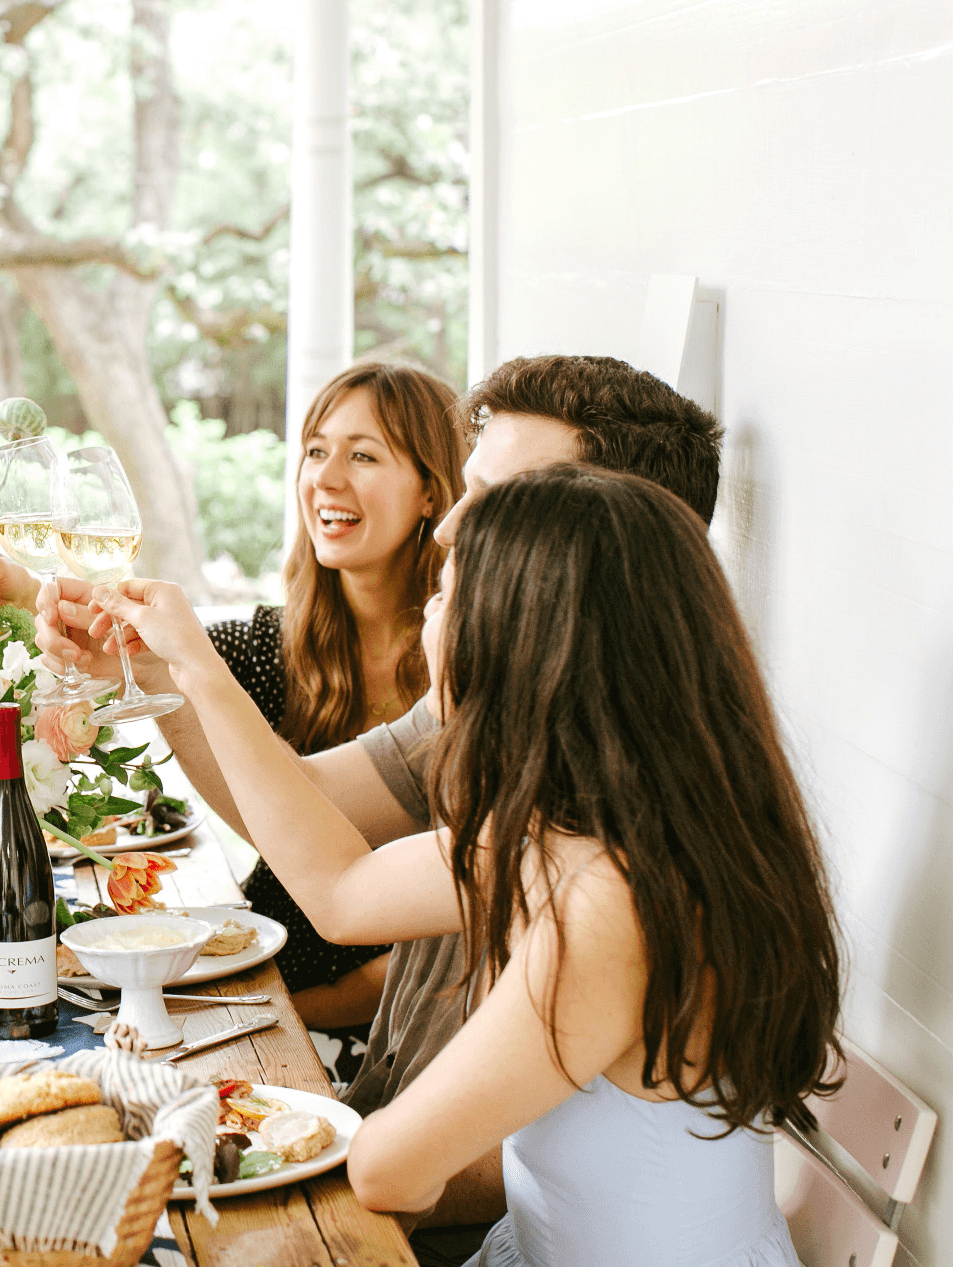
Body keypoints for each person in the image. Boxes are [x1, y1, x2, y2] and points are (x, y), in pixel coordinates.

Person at [28, 353, 724, 1260]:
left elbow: (413, 1166)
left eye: (502, 503)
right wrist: (171, 669)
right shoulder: (559, 775)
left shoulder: (608, 870)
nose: (451, 533)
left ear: (591, 548)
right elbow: (335, 866)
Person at [93, 464, 839, 1267]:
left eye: (445, 595)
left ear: (526, 640)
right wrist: (190, 669)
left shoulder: (609, 905)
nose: (428, 617)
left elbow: (388, 1169)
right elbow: (341, 892)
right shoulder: (605, 832)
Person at [0, 361, 466, 1039]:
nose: (325, 478)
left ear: (433, 494)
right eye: (314, 450)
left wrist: (260, 1020)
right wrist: (20, 590)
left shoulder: (464, 676)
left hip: (375, 1029)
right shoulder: (263, 644)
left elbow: (436, 952)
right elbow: (155, 659)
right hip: (255, 975)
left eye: (362, 455)